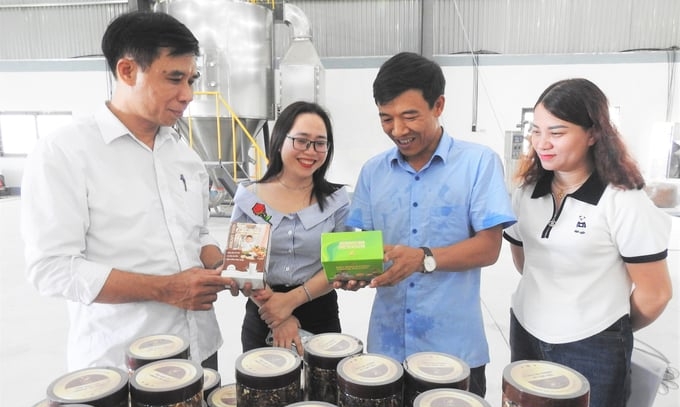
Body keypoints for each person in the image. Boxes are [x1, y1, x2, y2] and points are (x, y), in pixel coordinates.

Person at [20, 11, 241, 371]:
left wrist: (226, 264)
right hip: (124, 360)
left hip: (200, 348)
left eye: (191, 79)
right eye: (174, 78)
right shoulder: (66, 152)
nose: (188, 94)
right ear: (127, 71)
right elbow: (52, 268)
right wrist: (165, 289)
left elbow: (197, 233)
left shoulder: (184, 156)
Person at [341, 52, 516, 397]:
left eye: (409, 116)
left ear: (438, 105)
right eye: (386, 118)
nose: (398, 130)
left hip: (451, 352)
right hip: (386, 352)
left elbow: (489, 247)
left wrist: (423, 257)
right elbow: (362, 242)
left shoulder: (478, 164)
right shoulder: (374, 172)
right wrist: (354, 271)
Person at [503, 78, 673, 407]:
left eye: (557, 132)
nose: (542, 143)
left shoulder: (622, 200)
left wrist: (607, 329)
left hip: (592, 345)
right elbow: (524, 260)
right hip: (526, 328)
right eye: (536, 130)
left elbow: (656, 294)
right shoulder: (527, 192)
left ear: (594, 133)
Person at [229, 101, 350, 354]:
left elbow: (339, 266)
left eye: (320, 143)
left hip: (320, 313)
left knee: (321, 393)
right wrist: (279, 315)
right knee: (264, 392)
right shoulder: (251, 198)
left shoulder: (336, 200)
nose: (311, 151)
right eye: (301, 140)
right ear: (280, 140)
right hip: (264, 313)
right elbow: (243, 267)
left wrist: (290, 302)